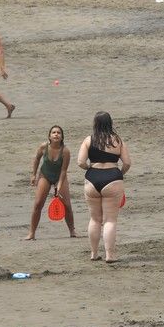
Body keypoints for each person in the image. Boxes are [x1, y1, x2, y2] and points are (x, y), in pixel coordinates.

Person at [77, 111, 131, 263]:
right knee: (110, 220)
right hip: (112, 177)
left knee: (94, 219)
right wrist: (119, 173)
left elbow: (80, 162)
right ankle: (109, 255)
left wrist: (90, 168)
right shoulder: (117, 140)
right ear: (110, 123)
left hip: (92, 178)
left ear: (95, 123)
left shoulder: (89, 140)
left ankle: (94, 253)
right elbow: (127, 163)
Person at [26, 125, 79, 240]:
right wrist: (33, 175)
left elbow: (64, 170)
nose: (56, 134)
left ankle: (72, 231)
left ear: (62, 137)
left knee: (67, 205)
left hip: (60, 176)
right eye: (53, 132)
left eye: (59, 133)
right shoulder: (43, 147)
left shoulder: (65, 151)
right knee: (38, 204)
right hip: (45, 175)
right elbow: (36, 159)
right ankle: (32, 233)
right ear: (49, 136)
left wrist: (58, 187)